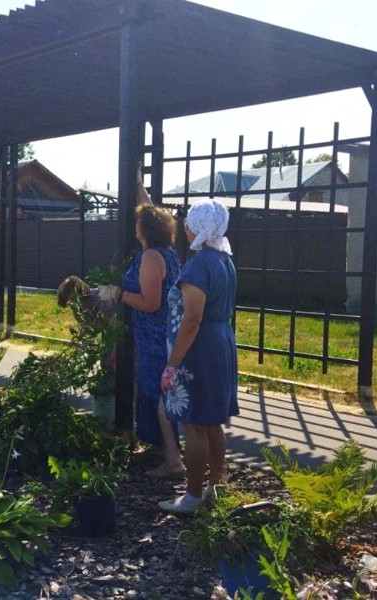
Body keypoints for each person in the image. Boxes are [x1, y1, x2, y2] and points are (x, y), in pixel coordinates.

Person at [158, 198, 238, 513]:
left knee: (193, 423)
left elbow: (191, 320)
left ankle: (192, 495)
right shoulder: (224, 260)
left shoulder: (198, 265)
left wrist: (173, 363)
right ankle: (216, 487)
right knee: (212, 420)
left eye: (189, 221)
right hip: (221, 342)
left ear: (199, 226)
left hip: (199, 348)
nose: (185, 226)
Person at [115, 164, 184, 478]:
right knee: (154, 392)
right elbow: (151, 209)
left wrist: (119, 295)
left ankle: (173, 460)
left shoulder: (152, 258)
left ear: (145, 230)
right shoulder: (168, 250)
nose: (135, 223)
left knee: (159, 396)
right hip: (158, 335)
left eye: (139, 221)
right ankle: (158, 448)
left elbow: (151, 302)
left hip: (156, 337)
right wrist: (139, 183)